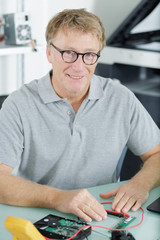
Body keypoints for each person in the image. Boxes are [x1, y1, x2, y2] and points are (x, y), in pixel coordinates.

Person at [0, 9, 160, 223]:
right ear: (49, 53)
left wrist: (140, 183)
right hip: (37, 217)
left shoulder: (121, 98)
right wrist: (58, 198)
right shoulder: (18, 104)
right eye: (69, 53)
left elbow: (156, 154)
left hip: (101, 217)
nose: (79, 66)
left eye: (89, 55)